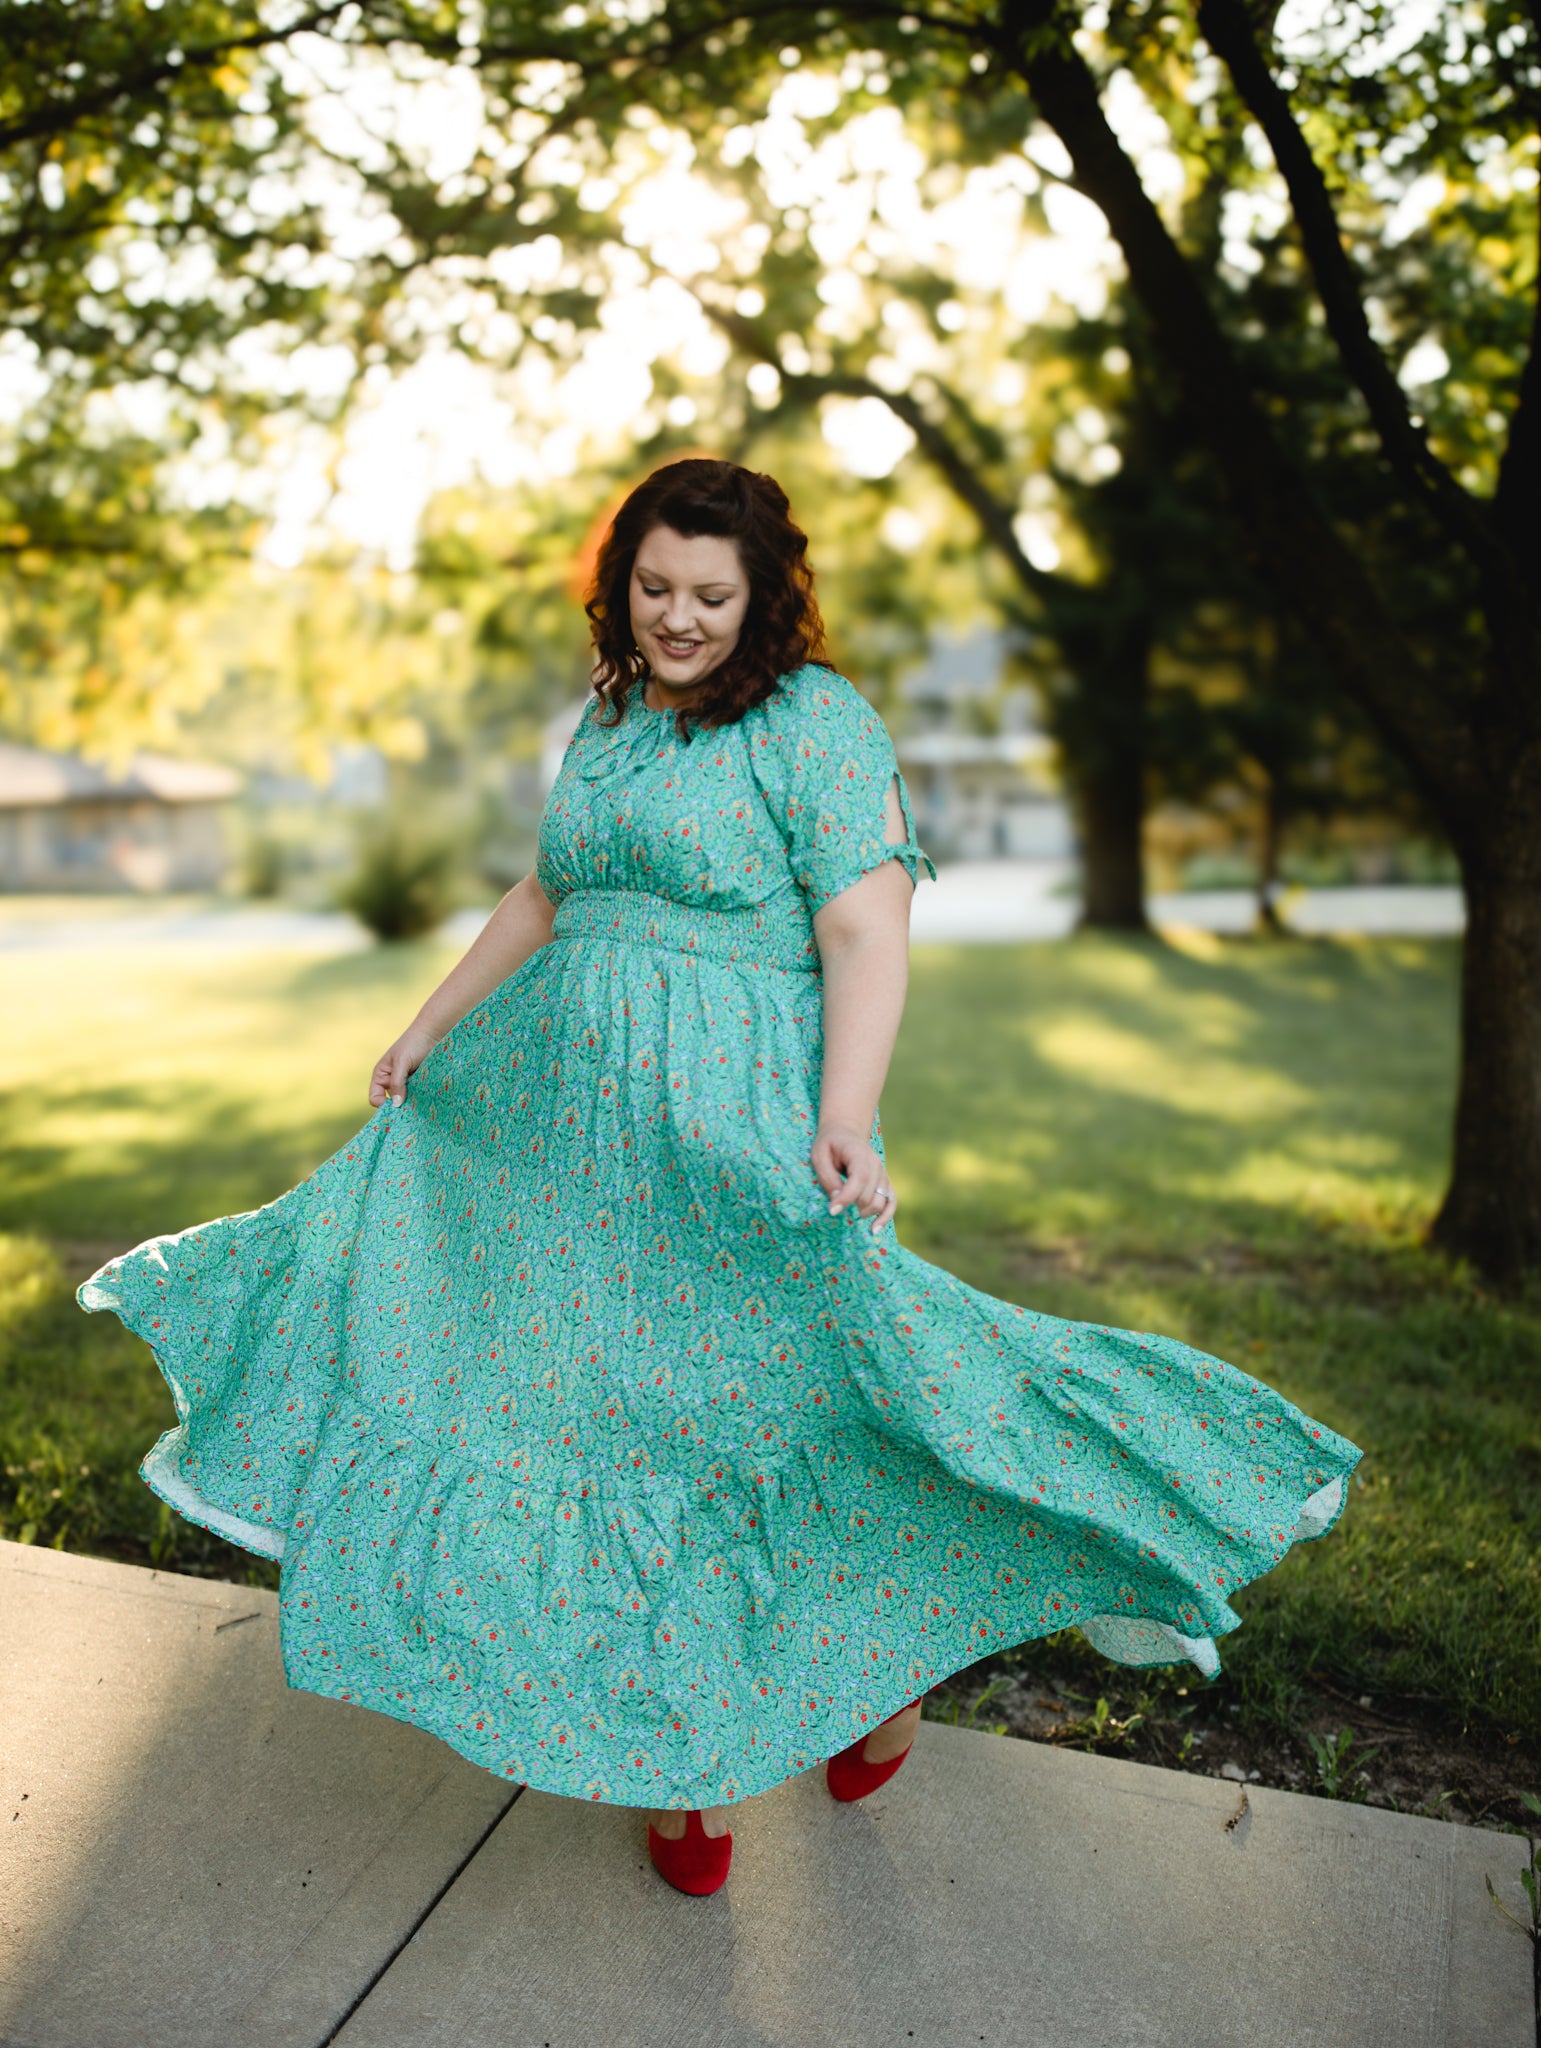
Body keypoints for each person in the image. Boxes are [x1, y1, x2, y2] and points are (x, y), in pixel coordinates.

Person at [80, 457, 1362, 1897]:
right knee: (608, 1427)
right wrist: (427, 1025)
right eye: (653, 588)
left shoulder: (815, 724)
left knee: (808, 1408)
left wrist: (849, 1118)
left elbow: (867, 931)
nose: (676, 618)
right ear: (619, 582)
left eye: (707, 594)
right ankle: (679, 1762)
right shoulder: (616, 718)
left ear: (761, 598)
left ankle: (878, 1669)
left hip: (735, 1131)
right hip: (560, 1139)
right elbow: (546, 890)